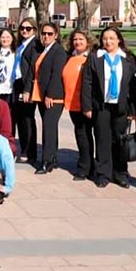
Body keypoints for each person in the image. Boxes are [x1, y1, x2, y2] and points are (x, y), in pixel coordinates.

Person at [81, 26, 136, 188]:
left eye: (112, 38)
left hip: (121, 107)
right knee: (102, 139)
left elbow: (134, 86)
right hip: (101, 106)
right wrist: (87, 106)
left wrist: (134, 110)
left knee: (119, 140)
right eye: (105, 38)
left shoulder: (128, 58)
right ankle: (103, 173)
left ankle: (120, 173)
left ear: (119, 39)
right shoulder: (95, 57)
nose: (108, 41)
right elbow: (87, 83)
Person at [32, 22, 68, 174]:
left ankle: (46, 161)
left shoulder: (58, 51)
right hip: (42, 95)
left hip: (53, 97)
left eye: (49, 34)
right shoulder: (45, 50)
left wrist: (50, 95)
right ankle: (52, 158)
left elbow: (56, 74)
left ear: (56, 35)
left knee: (48, 127)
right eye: (44, 33)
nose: (46, 36)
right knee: (50, 128)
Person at [62, 29, 94, 181]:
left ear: (87, 41)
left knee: (86, 135)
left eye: (81, 39)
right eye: (75, 39)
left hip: (86, 104)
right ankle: (86, 164)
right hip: (72, 103)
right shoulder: (70, 57)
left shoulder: (91, 58)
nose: (78, 42)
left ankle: (86, 168)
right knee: (82, 135)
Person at [13, 17, 42, 165]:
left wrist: (27, 90)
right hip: (17, 83)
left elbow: (32, 67)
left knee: (27, 119)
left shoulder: (34, 45)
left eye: (28, 28)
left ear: (34, 30)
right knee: (20, 119)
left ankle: (30, 152)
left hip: (27, 86)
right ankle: (23, 147)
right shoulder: (21, 45)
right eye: (22, 28)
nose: (24, 30)